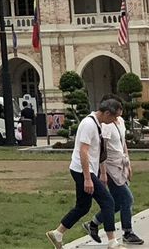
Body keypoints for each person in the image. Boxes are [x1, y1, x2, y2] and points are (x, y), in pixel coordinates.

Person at [45, 97, 122, 249]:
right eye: (115, 117)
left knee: (83, 206)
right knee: (108, 202)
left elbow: (96, 151)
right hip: (82, 170)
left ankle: (58, 233)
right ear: (107, 113)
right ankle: (112, 242)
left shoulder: (97, 123)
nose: (116, 121)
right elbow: (83, 151)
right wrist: (87, 178)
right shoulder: (89, 124)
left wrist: (101, 172)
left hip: (85, 169)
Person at [85, 96, 144, 245]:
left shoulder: (120, 121)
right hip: (110, 167)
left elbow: (123, 144)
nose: (118, 116)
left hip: (120, 164)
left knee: (116, 202)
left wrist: (128, 164)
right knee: (127, 199)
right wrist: (103, 172)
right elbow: (102, 149)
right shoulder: (106, 125)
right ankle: (127, 232)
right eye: (116, 113)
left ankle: (93, 223)